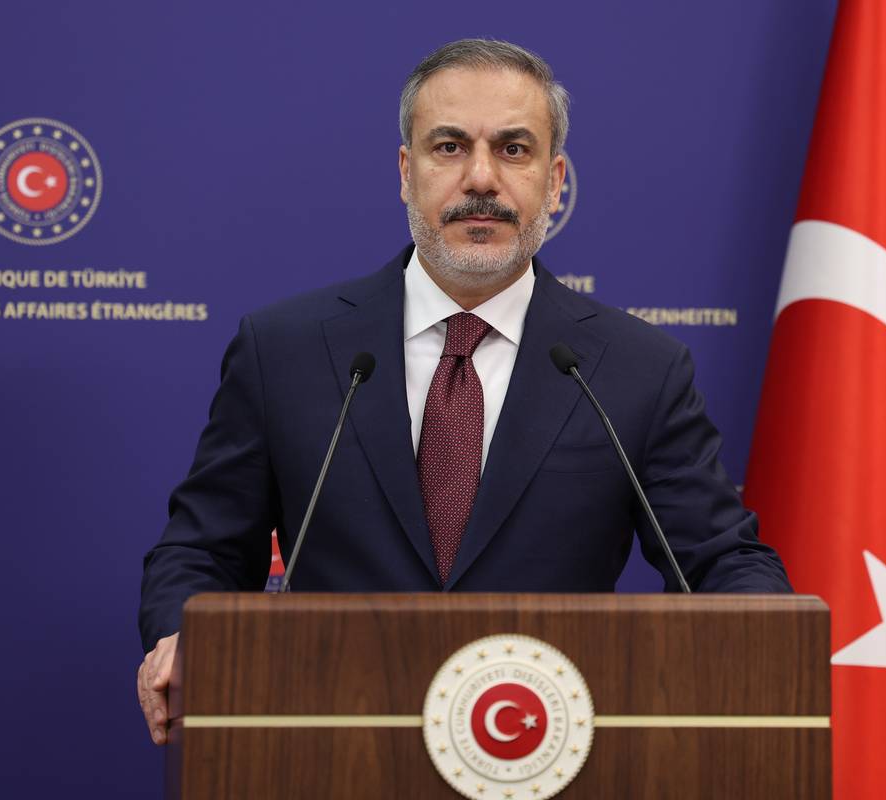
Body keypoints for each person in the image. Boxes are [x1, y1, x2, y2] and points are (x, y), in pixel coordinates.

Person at [136, 38, 791, 746]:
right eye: (449, 147)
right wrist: (180, 634)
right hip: (330, 747)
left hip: (550, 754)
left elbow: (722, 561)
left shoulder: (637, 368)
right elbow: (199, 552)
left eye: (514, 149)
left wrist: (765, 641)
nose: (481, 178)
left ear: (556, 179)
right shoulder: (288, 350)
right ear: (405, 172)